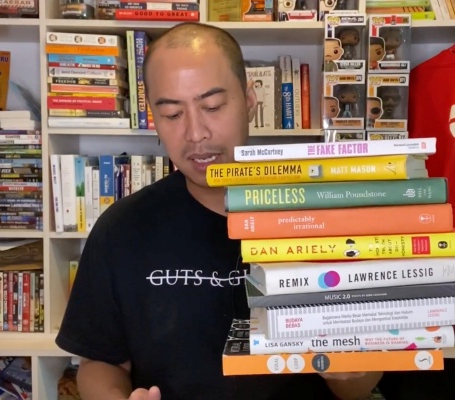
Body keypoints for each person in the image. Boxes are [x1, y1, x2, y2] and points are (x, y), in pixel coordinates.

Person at [55, 22, 383, 400]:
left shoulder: (326, 215)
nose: (196, 133)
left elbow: (358, 387)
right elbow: (99, 361)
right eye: (172, 114)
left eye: (212, 106)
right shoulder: (123, 228)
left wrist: (348, 369)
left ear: (250, 99)